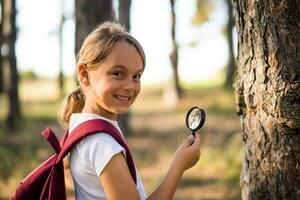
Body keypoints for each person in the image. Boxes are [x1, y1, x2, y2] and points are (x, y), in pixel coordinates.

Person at [58, 21, 201, 200]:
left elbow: (67, 168)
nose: (129, 86)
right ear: (85, 74)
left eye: (136, 76)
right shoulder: (103, 143)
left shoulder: (78, 125)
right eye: (118, 73)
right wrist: (179, 166)